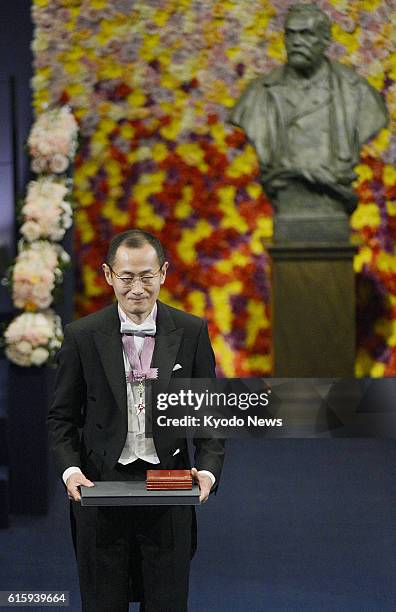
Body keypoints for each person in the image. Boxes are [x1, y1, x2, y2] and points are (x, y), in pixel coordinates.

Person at [47, 229, 225, 612]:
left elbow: (208, 413)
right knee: (102, 602)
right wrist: (71, 472)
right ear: (109, 275)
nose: (137, 288)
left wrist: (208, 472)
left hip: (170, 485)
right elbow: (61, 418)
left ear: (163, 272)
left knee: (167, 602)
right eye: (127, 278)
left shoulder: (192, 331)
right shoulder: (82, 336)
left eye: (147, 276)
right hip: (100, 486)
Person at [230, 3, 388, 241]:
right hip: (287, 204)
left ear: (325, 41)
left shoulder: (356, 93)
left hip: (332, 207)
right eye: (290, 34)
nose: (296, 41)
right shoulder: (259, 94)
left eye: (306, 34)